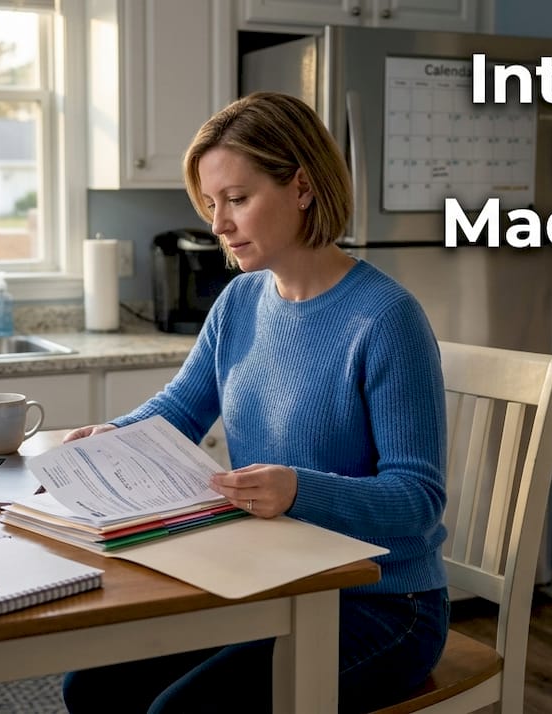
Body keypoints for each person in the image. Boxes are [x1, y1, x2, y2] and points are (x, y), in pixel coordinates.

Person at [60, 91, 450, 714]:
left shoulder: (386, 319)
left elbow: (419, 503)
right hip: (273, 583)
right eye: (211, 204)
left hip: (383, 606)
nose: (218, 225)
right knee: (93, 688)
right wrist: (109, 435)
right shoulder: (240, 302)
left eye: (237, 200)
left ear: (301, 187)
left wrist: (299, 489)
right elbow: (179, 411)